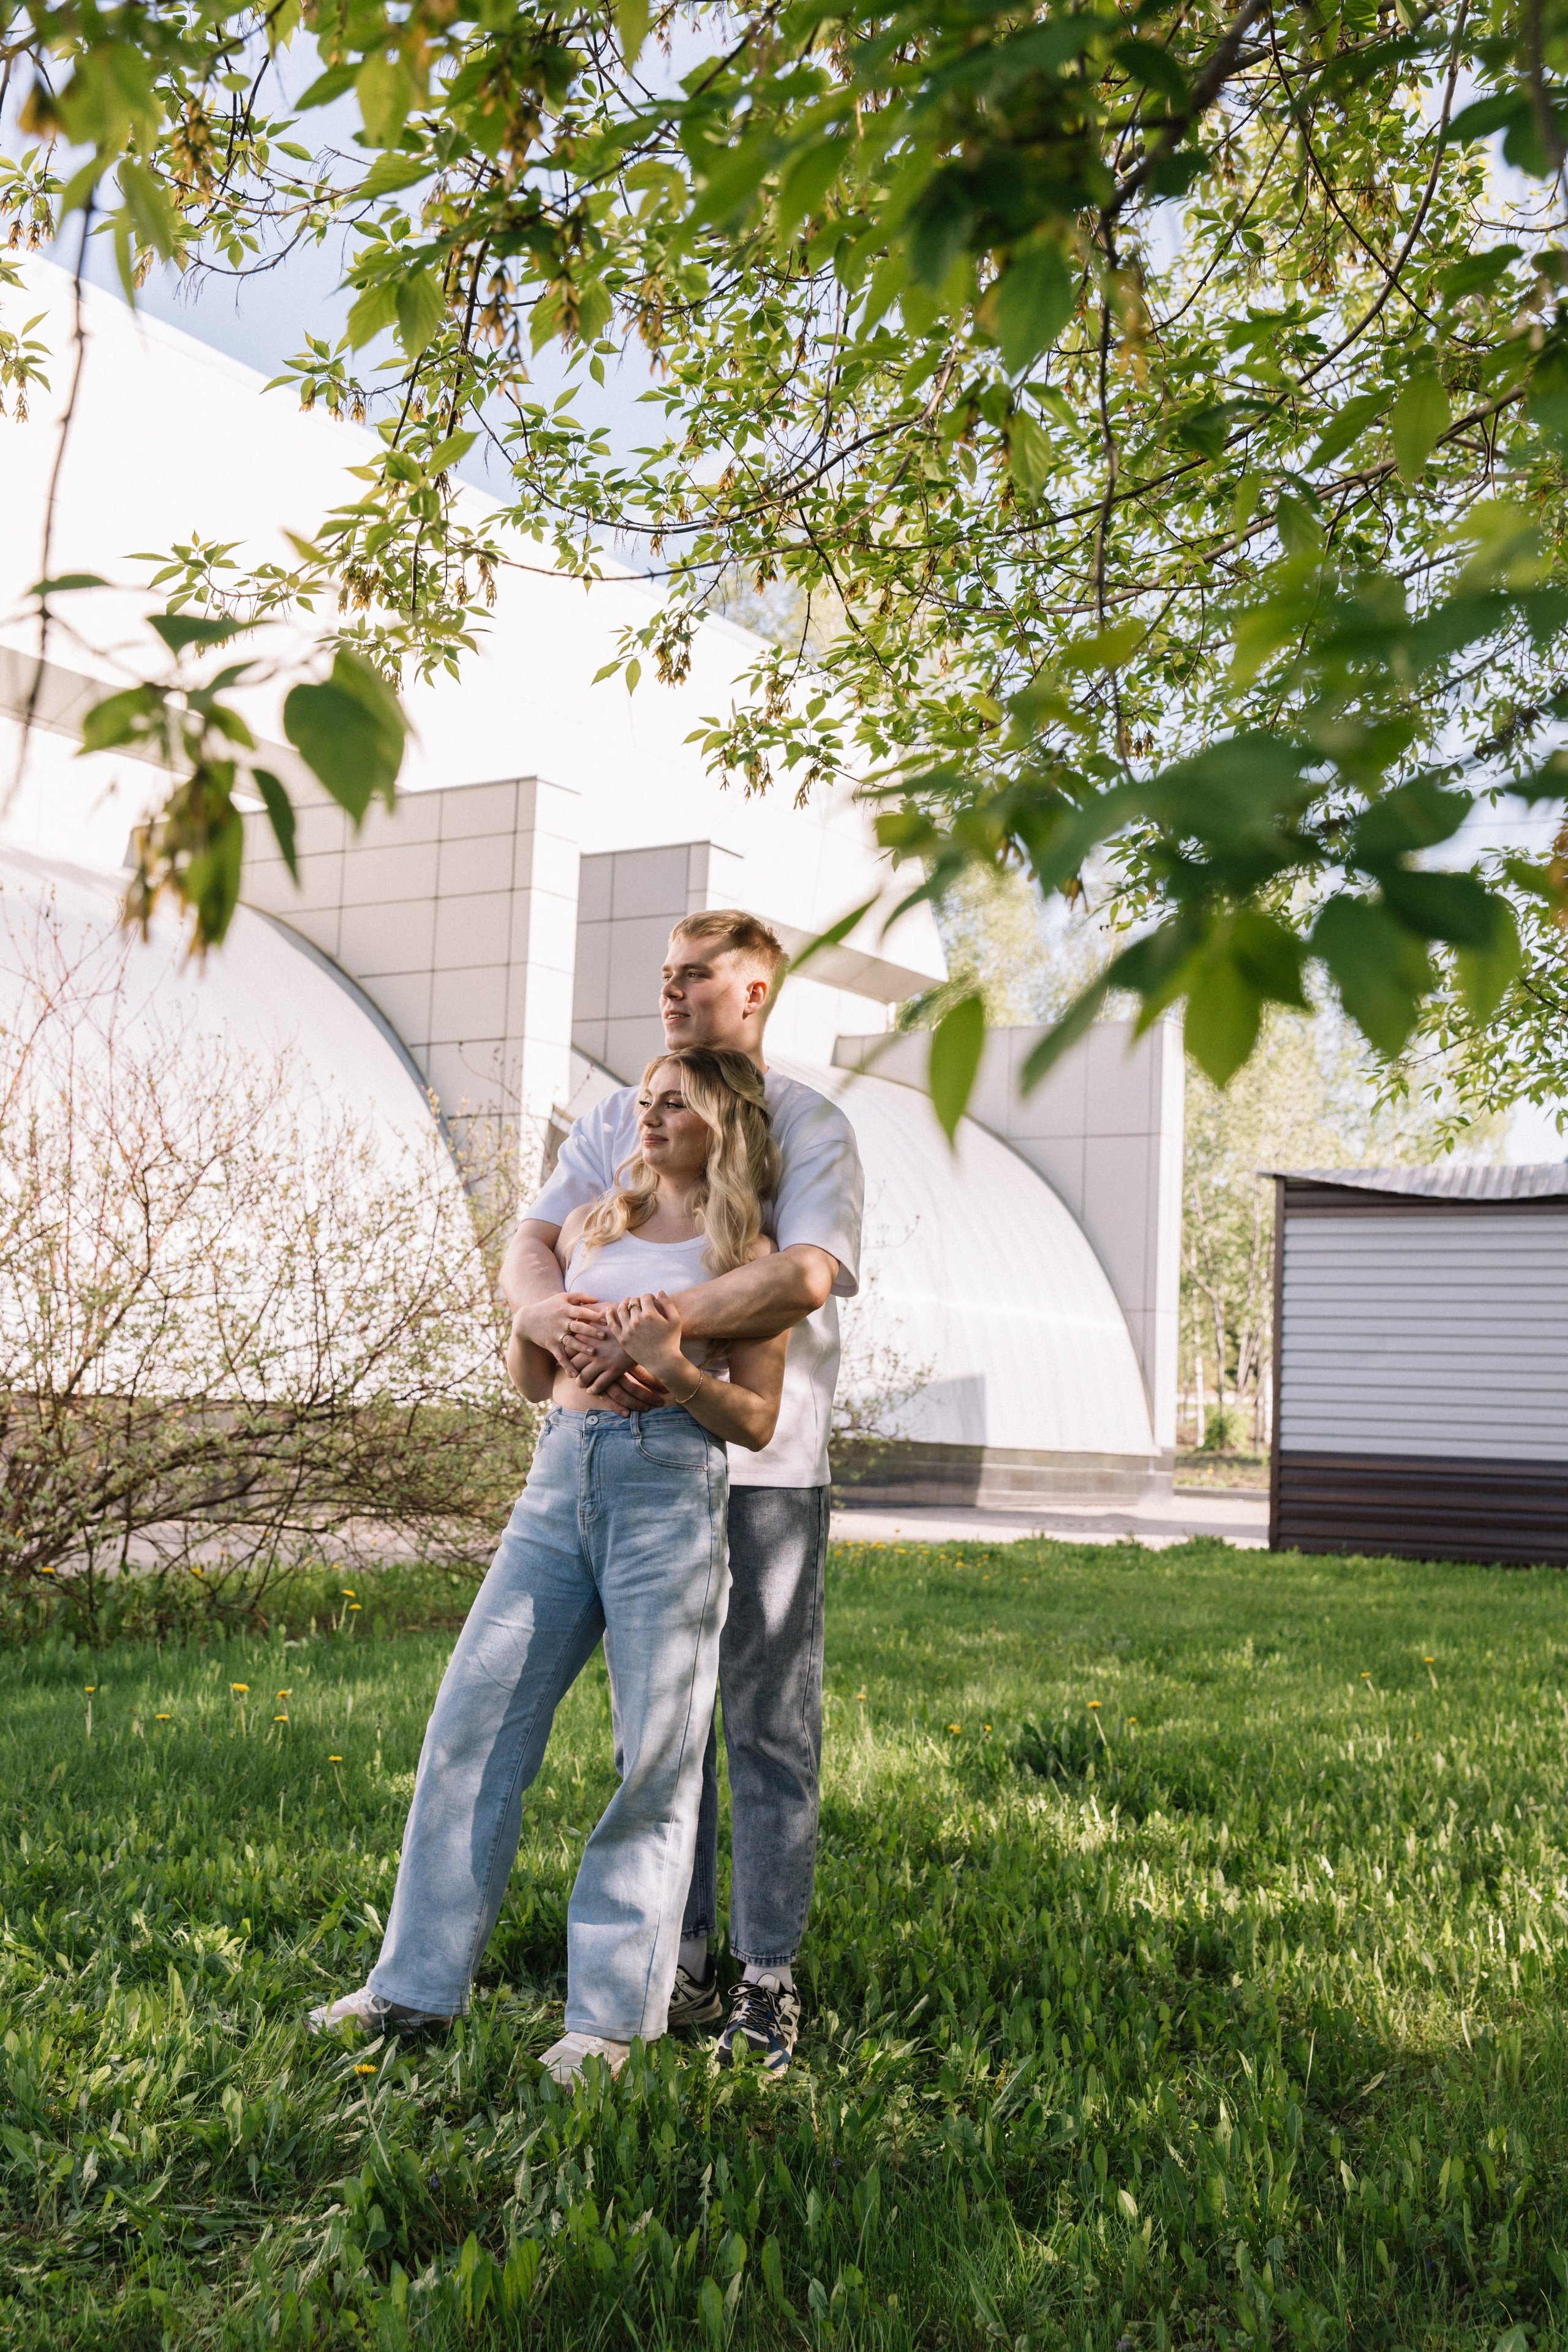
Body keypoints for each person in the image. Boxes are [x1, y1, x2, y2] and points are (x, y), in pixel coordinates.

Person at [309, 1047, 788, 2086]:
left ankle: (609, 2022)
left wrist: (670, 1367)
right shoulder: (592, 1226)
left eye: (675, 1104)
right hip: (557, 1477)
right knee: (470, 1727)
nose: (648, 1118)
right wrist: (535, 1324)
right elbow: (531, 1378)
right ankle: (410, 1989)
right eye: (646, 1101)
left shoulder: (743, 1251)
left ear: (723, 1124)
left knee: (654, 1758)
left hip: (669, 1490)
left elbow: (756, 1419)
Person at [505, 908, 864, 2077]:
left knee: (764, 1724)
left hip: (764, 1472)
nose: (670, 990)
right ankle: (685, 1955)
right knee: (664, 1733)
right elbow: (536, 1240)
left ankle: (769, 1976)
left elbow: (803, 1275)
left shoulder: (808, 1122)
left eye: (695, 975)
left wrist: (642, 1331)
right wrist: (547, 1316)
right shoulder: (621, 1110)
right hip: (632, 1467)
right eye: (665, 973)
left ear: (753, 991)